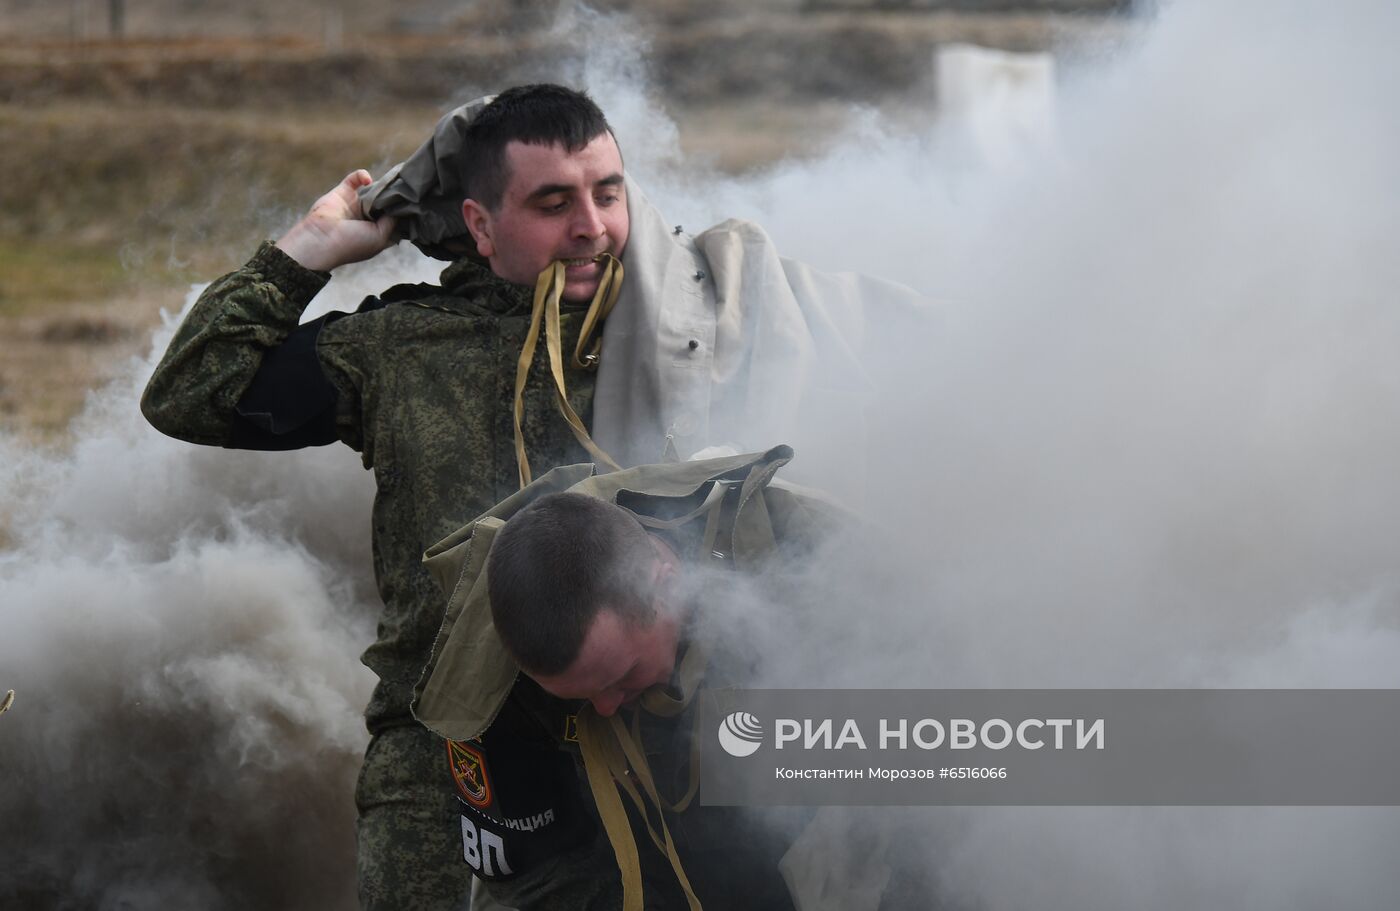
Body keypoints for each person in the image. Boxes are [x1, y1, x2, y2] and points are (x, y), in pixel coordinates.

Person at [142, 84, 634, 911]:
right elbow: (191, 388)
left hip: (644, 737)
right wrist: (309, 249)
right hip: (445, 763)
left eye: (608, 194)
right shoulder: (406, 348)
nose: (590, 226)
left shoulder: (682, 329)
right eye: (553, 204)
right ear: (480, 225)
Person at [414, 445, 843, 910]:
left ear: (667, 586)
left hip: (801, 845)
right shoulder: (493, 663)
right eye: (580, 697)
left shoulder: (804, 578)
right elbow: (535, 869)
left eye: (621, 677)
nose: (604, 708)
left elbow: (895, 810)